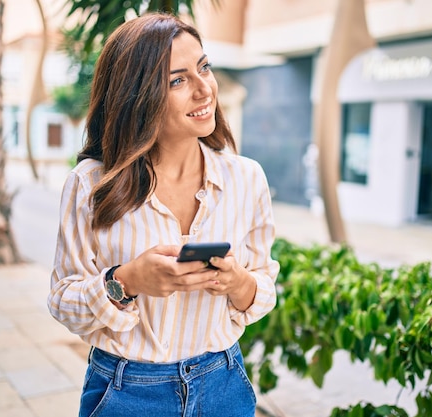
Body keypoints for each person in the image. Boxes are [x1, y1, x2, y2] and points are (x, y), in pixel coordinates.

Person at [47, 12, 279, 417]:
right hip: (125, 391)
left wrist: (236, 280)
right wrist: (129, 280)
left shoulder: (247, 178)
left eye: (204, 67)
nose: (204, 89)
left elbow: (262, 289)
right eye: (178, 80)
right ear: (137, 95)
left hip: (223, 384)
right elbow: (63, 301)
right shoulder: (91, 184)